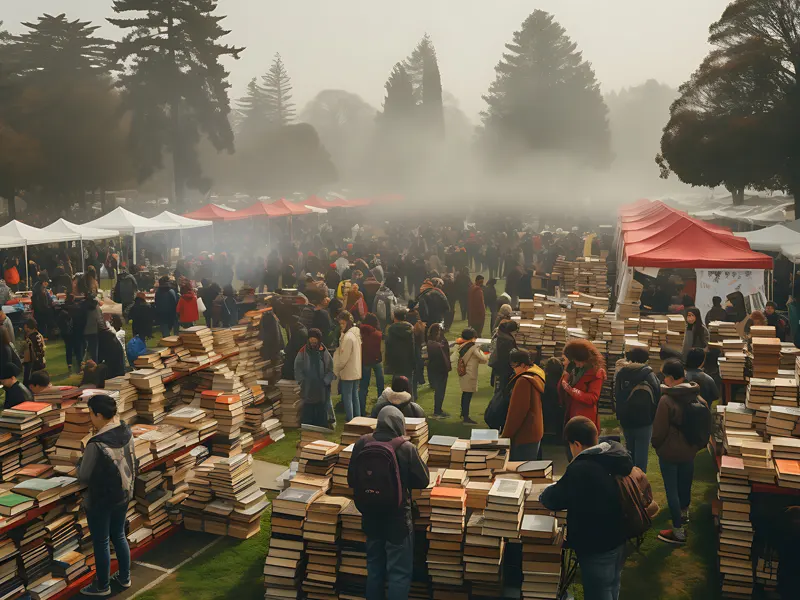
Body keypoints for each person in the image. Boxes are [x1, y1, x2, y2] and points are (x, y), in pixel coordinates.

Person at [539, 416, 632, 600]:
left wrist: (543, 494)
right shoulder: (611, 456)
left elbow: (556, 498)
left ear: (577, 444)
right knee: (613, 585)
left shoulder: (582, 468)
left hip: (595, 544)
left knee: (599, 592)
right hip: (619, 537)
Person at [347, 405, 429, 600]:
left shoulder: (362, 443)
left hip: (370, 516)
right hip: (397, 520)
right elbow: (423, 481)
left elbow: (351, 480)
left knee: (374, 569)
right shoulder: (406, 448)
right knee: (399, 573)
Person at [78, 393, 136, 596]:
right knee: (119, 534)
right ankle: (124, 576)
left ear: (98, 414)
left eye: (91, 414)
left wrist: (78, 459)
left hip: (101, 499)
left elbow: (84, 475)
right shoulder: (126, 430)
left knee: (101, 541)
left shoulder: (95, 443)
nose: (90, 418)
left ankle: (102, 586)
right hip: (124, 492)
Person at [652, 359, 708, 545]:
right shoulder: (699, 398)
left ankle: (678, 531)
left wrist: (657, 446)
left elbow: (659, 431)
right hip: (690, 451)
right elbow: (706, 428)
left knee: (672, 490)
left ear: (669, 377)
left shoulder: (666, 400)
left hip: (669, 451)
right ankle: (684, 515)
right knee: (685, 485)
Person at [614, 345, 660, 473]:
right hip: (645, 421)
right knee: (641, 455)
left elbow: (617, 395)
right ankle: (640, 484)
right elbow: (657, 394)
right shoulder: (649, 374)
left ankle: (629, 483)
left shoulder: (622, 373)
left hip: (626, 420)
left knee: (629, 452)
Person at [502, 349, 545, 461]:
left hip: (523, 435)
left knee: (518, 472)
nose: (513, 369)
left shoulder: (523, 381)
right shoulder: (537, 374)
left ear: (522, 364)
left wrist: (505, 437)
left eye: (514, 366)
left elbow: (516, 413)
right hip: (534, 431)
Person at [560, 339, 606, 435]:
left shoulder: (596, 373)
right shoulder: (574, 370)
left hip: (585, 420)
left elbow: (592, 398)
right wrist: (566, 374)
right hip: (571, 416)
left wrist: (571, 390)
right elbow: (560, 392)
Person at [294, 328, 335, 428]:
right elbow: (297, 368)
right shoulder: (302, 352)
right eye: (311, 339)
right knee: (308, 407)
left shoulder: (324, 352)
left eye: (314, 340)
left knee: (321, 407)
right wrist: (302, 381)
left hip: (321, 387)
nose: (312, 342)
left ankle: (322, 424)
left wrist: (326, 381)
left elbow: (330, 369)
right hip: (307, 387)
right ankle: (307, 424)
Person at [454, 327, 488, 424]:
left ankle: (464, 413)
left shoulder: (461, 346)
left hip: (463, 373)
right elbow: (483, 359)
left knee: (465, 394)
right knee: (468, 396)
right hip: (470, 374)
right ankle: (466, 416)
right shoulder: (473, 347)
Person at [334, 311, 362, 421]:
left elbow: (343, 359)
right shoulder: (355, 334)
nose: (341, 326)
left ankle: (350, 419)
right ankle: (358, 418)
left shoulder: (348, 338)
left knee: (347, 397)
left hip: (348, 371)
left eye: (342, 323)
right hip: (355, 370)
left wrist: (335, 370)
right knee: (354, 396)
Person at [359, 313, 384, 416]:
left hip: (365, 361)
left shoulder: (361, 332)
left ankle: (361, 409)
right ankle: (381, 407)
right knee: (380, 385)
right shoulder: (377, 334)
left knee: (364, 387)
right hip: (377, 360)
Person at [384, 308, 416, 385]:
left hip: (395, 361)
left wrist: (387, 363)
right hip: (408, 361)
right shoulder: (410, 329)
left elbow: (388, 347)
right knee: (409, 384)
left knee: (397, 385)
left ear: (395, 317)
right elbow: (413, 347)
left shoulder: (391, 330)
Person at [426, 323, 451, 418]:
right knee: (440, 390)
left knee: (440, 390)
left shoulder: (431, 343)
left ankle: (438, 409)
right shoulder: (435, 345)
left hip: (437, 369)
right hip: (440, 369)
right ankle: (437, 410)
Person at [490, 320, 518, 394]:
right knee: (503, 387)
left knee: (499, 386)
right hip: (504, 366)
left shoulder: (500, 334)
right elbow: (510, 353)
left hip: (498, 365)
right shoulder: (507, 340)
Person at [281, 316, 308, 380]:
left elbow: (292, 346)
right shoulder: (301, 329)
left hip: (295, 358)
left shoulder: (299, 332)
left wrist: (285, 351)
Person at [22, 318, 46, 387]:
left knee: (30, 385)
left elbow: (28, 354)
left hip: (33, 364)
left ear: (27, 326)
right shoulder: (39, 335)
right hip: (41, 362)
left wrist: (24, 362)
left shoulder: (29, 339)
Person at [82, 294, 105, 363]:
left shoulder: (83, 306)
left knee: (85, 349)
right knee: (95, 350)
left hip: (85, 329)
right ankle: (95, 363)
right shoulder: (96, 306)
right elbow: (99, 317)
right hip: (95, 329)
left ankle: (83, 363)